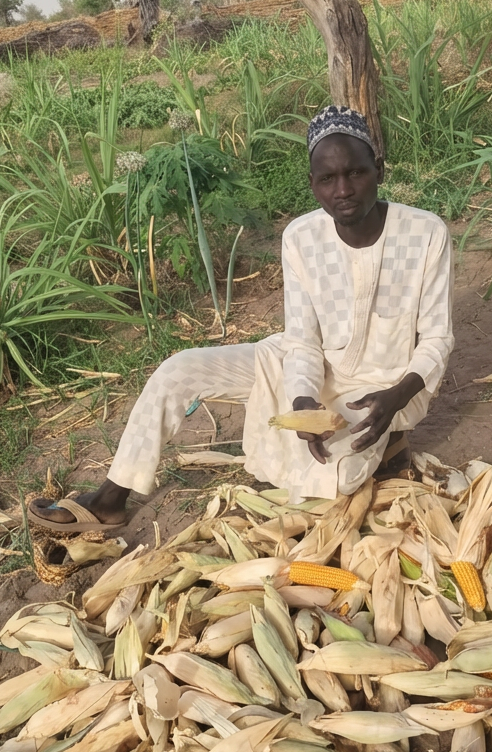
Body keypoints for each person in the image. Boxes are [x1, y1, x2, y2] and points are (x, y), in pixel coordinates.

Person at [28, 105, 454, 531]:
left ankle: (392, 441)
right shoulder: (301, 238)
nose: (343, 189)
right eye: (327, 179)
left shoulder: (425, 233)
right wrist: (302, 398)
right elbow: (302, 340)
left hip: (386, 387)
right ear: (312, 184)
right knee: (178, 371)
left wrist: (397, 395)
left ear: (378, 170)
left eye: (355, 173)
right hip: (300, 365)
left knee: (336, 479)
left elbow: (436, 339)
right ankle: (109, 498)